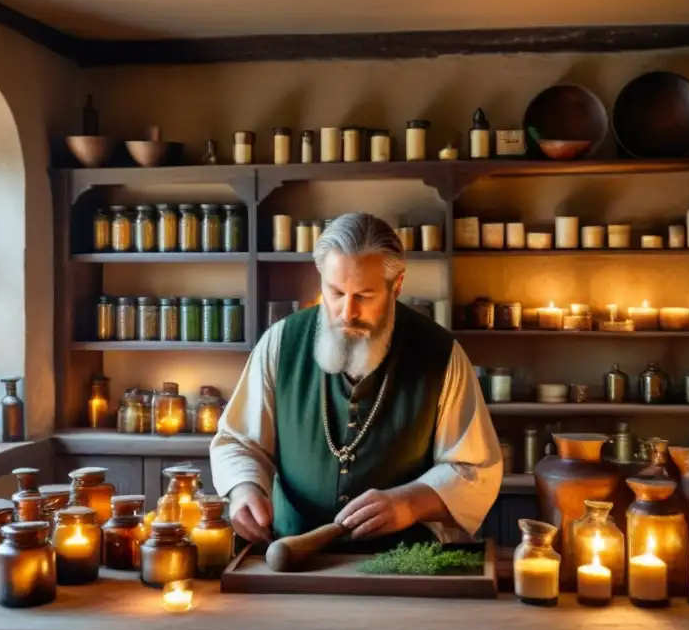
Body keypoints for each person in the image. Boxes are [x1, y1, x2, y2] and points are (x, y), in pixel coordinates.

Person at [210, 212, 502, 549]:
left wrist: (410, 502)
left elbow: (473, 468)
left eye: (364, 296)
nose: (347, 312)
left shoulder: (441, 355)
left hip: (400, 564)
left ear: (398, 284)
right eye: (335, 293)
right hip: (293, 557)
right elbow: (238, 441)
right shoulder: (280, 342)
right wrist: (245, 488)